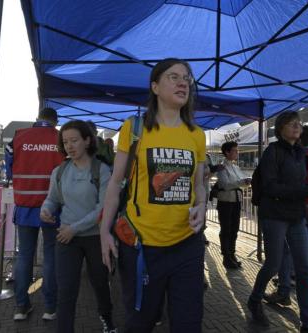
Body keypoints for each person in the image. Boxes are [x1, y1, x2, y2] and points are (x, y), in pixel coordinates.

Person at [100, 58, 207, 333]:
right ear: (155, 86)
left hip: (187, 244)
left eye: (187, 78)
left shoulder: (197, 135)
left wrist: (202, 204)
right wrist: (103, 233)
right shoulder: (134, 129)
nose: (183, 82)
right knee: (140, 323)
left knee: (188, 324)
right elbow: (114, 184)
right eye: (173, 77)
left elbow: (199, 184)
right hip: (142, 247)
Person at [248, 111, 308, 332]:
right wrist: (304, 191)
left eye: (299, 124)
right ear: (280, 129)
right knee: (273, 264)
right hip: (274, 215)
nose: (297, 127)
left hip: (296, 216)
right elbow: (270, 187)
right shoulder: (273, 151)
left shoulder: (300, 153)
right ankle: (254, 299)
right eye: (291, 124)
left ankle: (307, 323)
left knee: (305, 267)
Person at [40, 120, 116, 333]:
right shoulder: (60, 171)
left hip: (95, 237)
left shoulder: (102, 170)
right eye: (65, 142)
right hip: (67, 238)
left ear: (87, 140)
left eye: (74, 140)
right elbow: (52, 199)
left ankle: (107, 319)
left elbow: (103, 208)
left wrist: (75, 228)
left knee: (100, 284)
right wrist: (45, 209)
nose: (69, 146)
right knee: (66, 291)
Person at [5, 108, 65, 321]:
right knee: (50, 256)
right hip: (53, 208)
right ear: (54, 121)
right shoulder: (61, 138)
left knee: (25, 256)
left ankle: (21, 307)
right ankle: (50, 308)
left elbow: (9, 168)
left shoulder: (19, 137)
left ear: (38, 118)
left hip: (25, 205)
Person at [265, 125, 308, 309]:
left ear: (299, 138)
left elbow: (291, 185)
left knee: (286, 253)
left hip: (296, 213)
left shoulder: (297, 156)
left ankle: (284, 292)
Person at [216, 141, 250, 269]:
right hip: (225, 201)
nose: (237, 152)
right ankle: (226, 256)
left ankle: (232, 254)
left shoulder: (236, 167)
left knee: (235, 229)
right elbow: (225, 184)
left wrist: (245, 182)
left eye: (237, 150)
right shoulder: (222, 167)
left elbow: (239, 182)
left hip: (236, 200)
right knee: (226, 229)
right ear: (227, 152)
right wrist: (240, 182)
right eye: (235, 150)